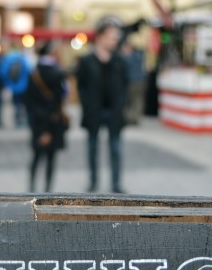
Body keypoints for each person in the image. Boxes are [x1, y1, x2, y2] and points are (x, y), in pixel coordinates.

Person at [76, 18, 129, 194]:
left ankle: (116, 183)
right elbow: (81, 86)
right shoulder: (87, 61)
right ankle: (93, 181)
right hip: (94, 112)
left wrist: (121, 105)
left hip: (113, 112)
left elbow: (125, 84)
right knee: (92, 148)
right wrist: (87, 105)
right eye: (112, 37)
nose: (115, 41)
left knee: (116, 148)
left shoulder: (119, 61)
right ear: (100, 37)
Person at [25, 40, 67, 193]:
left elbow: (28, 102)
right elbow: (58, 102)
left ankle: (31, 188)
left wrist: (39, 128)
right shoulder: (57, 73)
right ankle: (48, 190)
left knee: (36, 157)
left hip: (37, 122)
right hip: (52, 123)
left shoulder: (33, 73)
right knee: (50, 159)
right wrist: (48, 130)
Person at [0, 45, 31, 127]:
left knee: (16, 103)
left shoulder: (7, 59)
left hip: (13, 86)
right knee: (24, 103)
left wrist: (7, 83)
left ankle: (17, 118)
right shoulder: (23, 58)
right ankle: (23, 118)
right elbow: (29, 70)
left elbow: (2, 73)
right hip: (24, 85)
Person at [122, 43, 145, 125]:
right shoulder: (140, 56)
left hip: (132, 81)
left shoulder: (128, 57)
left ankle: (130, 118)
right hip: (141, 81)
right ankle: (135, 117)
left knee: (130, 100)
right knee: (138, 100)